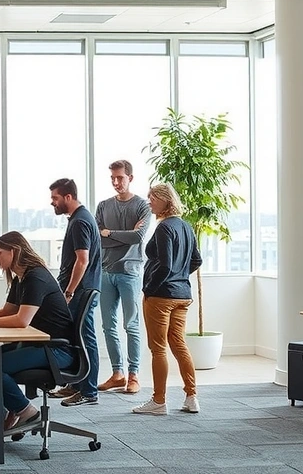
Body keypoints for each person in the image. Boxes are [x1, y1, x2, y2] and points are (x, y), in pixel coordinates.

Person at [0, 231, 75, 430]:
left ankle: (26, 411)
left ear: (14, 251)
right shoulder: (21, 277)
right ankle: (13, 409)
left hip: (56, 350)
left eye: (0, 253)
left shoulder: (36, 277)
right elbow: (9, 311)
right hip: (37, 345)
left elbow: (21, 320)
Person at [132, 183, 202, 416]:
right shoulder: (186, 226)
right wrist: (179, 278)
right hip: (182, 295)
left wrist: (150, 288)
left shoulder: (164, 228)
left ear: (165, 200)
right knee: (179, 345)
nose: (149, 202)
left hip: (161, 296)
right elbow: (196, 260)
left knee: (158, 348)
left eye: (152, 198)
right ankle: (191, 397)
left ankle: (159, 401)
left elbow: (165, 265)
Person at [95, 160, 151, 395]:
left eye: (120, 178)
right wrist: (121, 236)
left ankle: (133, 374)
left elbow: (138, 237)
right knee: (108, 326)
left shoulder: (143, 206)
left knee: (131, 325)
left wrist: (109, 233)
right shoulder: (103, 206)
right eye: (113, 178)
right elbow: (98, 239)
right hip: (106, 272)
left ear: (130, 177)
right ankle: (117, 374)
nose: (116, 182)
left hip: (130, 272)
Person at [49, 178, 102, 407]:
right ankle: (77, 384)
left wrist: (69, 291)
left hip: (82, 290)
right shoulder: (77, 219)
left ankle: (89, 391)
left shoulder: (80, 221)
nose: (52, 202)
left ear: (68, 197)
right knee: (75, 338)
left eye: (55, 198)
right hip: (79, 289)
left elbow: (82, 260)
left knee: (85, 338)